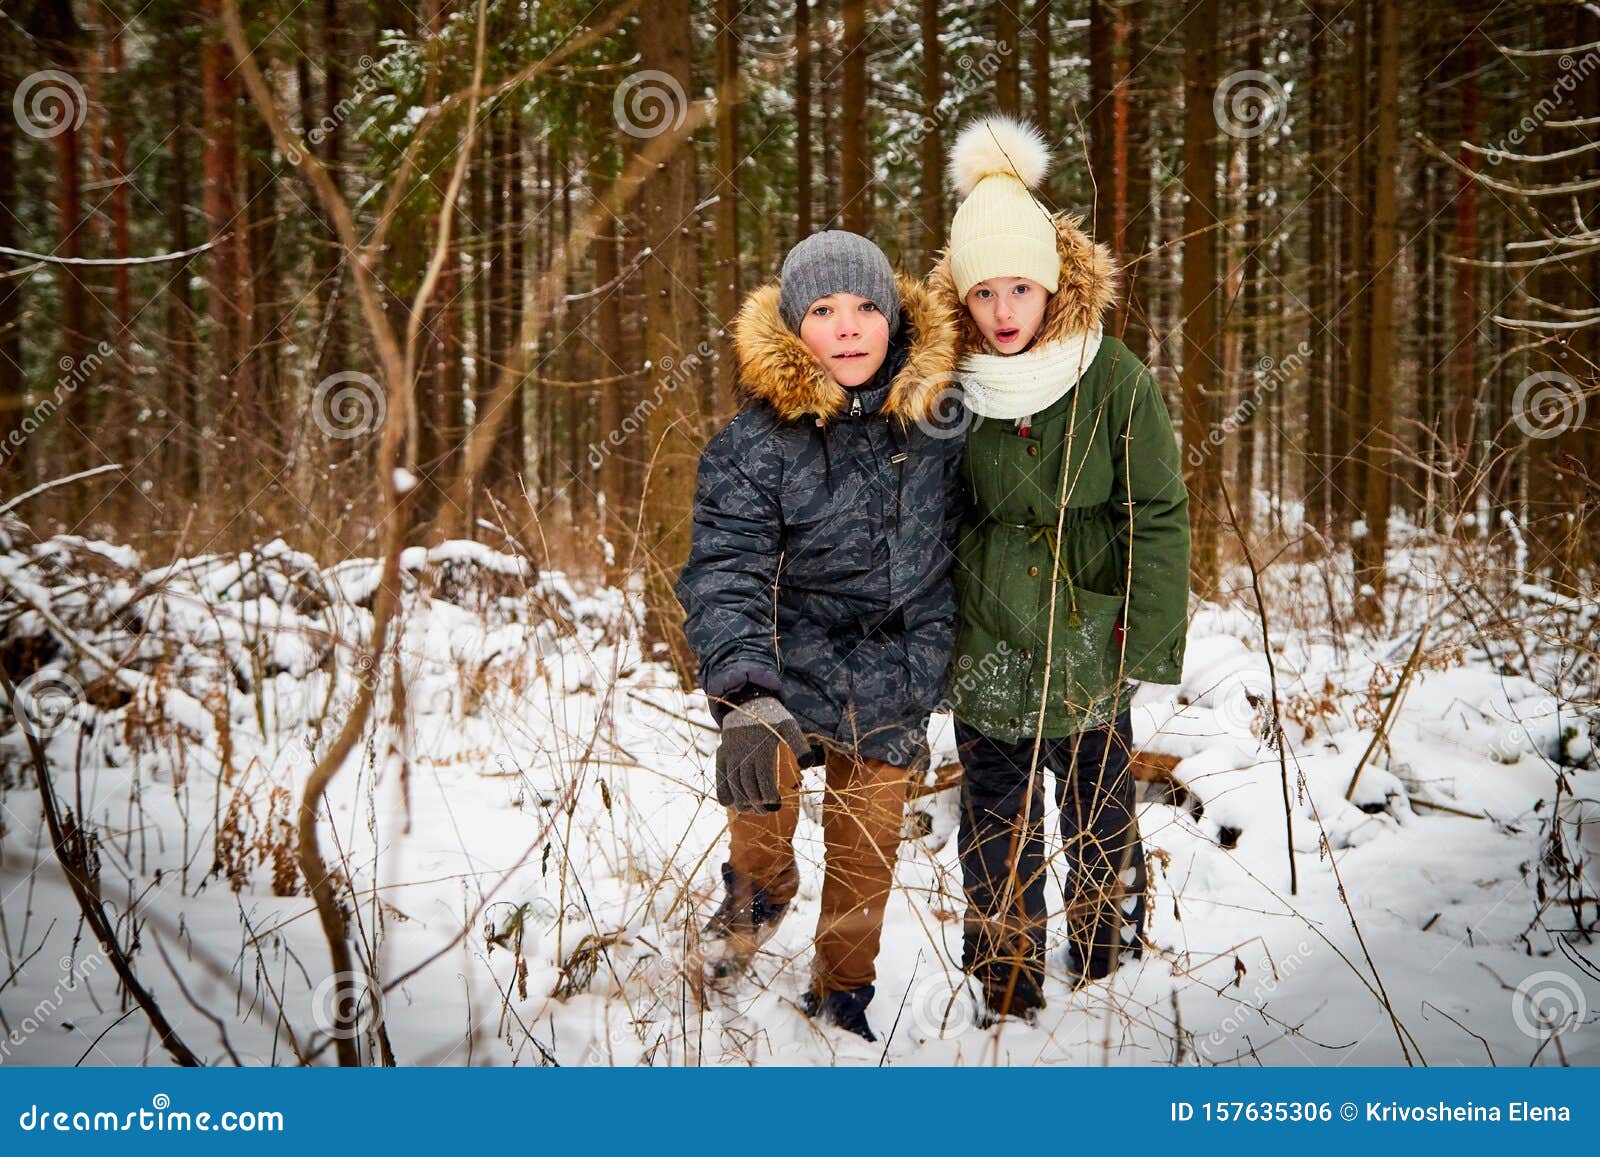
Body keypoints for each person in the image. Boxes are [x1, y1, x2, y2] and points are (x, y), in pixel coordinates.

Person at [927, 115, 1192, 1024]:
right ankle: (1005, 986)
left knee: (1100, 818)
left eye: (1022, 289)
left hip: (1091, 639)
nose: (1004, 311)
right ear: (962, 297)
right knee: (997, 831)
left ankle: (1112, 968)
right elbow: (923, 516)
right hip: (986, 644)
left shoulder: (1113, 375)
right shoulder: (946, 384)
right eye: (986, 292)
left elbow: (1157, 510)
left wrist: (1145, 634)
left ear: (1054, 286)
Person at [675, 230, 963, 1041]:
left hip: (895, 667)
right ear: (794, 326)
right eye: (825, 309)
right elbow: (725, 568)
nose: (848, 326)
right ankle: (755, 896)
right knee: (758, 796)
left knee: (866, 850)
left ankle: (843, 996)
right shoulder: (753, 445)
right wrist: (743, 688)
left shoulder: (940, 422)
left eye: (867, 307)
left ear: (895, 318)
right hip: (784, 666)